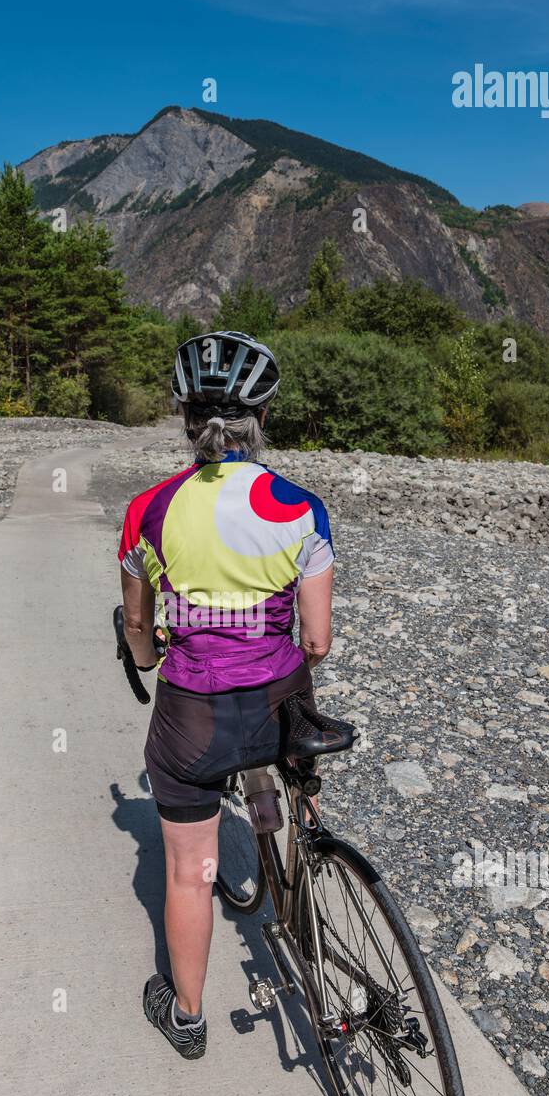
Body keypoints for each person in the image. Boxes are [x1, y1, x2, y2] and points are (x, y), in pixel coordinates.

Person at [118, 331, 335, 1059]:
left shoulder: (149, 509)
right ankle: (303, 875)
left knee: (189, 869)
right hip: (280, 703)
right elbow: (317, 641)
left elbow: (143, 630)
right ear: (263, 419)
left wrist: (146, 654)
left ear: (184, 418)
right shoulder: (301, 507)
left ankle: (187, 1016)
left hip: (193, 716)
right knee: (289, 759)